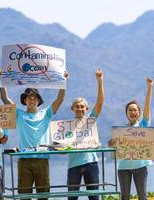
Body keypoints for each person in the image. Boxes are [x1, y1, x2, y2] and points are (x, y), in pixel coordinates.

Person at [0, 72, 68, 199]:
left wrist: (63, 81)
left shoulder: (46, 113)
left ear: (38, 100)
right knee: (24, 195)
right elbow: (5, 99)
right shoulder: (19, 114)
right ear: (24, 100)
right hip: (24, 159)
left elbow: (59, 99)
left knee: (43, 195)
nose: (31, 100)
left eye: (34, 97)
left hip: (42, 159)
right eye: (28, 97)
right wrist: (2, 80)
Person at [111, 77, 153, 200]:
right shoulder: (120, 130)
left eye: (135, 110)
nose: (132, 112)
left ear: (139, 113)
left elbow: (147, 107)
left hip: (140, 166)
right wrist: (111, 144)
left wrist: (149, 88)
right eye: (130, 110)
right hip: (123, 167)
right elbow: (115, 148)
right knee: (124, 197)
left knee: (142, 196)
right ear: (126, 113)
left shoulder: (143, 125)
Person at [67, 69, 104, 200]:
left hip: (91, 163)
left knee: (94, 197)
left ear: (86, 109)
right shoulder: (64, 127)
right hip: (73, 165)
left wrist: (100, 81)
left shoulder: (91, 120)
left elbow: (100, 103)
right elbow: (61, 149)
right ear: (72, 109)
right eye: (77, 106)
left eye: (82, 106)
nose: (80, 109)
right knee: (72, 197)